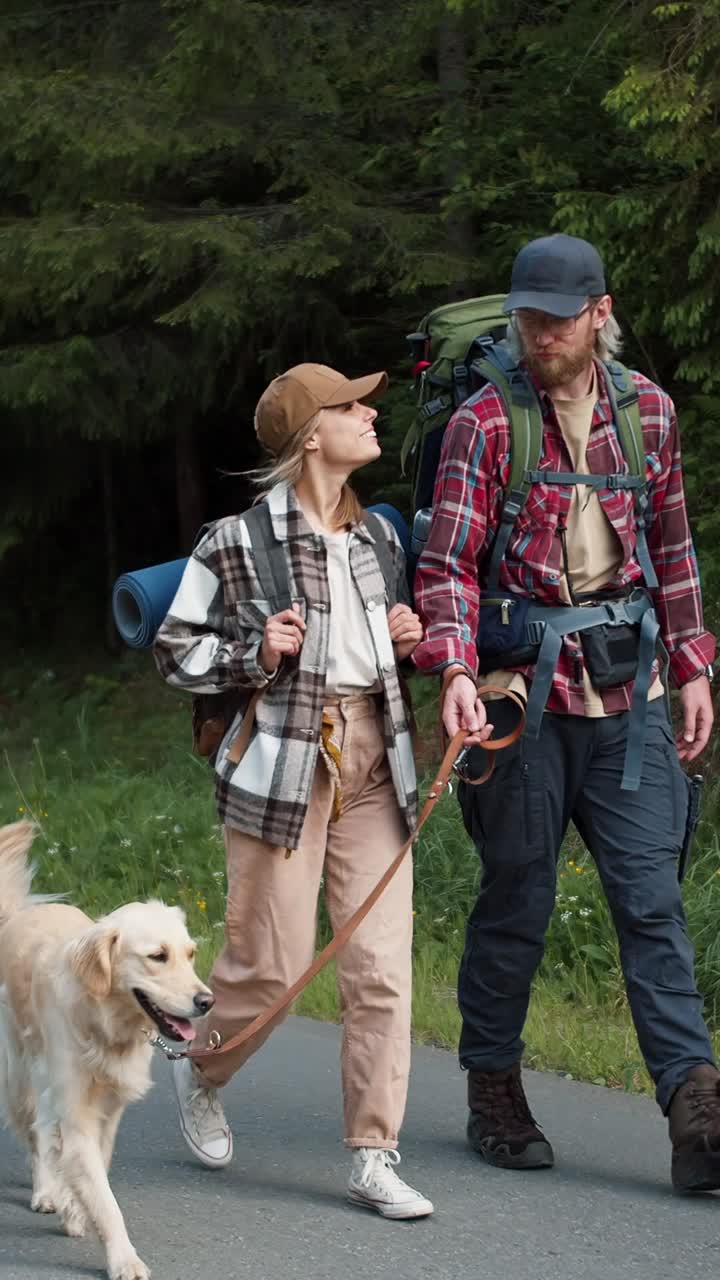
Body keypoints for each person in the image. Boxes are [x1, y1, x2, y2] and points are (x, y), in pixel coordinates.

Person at [412, 233, 718, 1191]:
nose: (539, 331)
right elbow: (447, 567)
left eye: (557, 315)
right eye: (528, 315)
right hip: (521, 700)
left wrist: (697, 665)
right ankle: (493, 1085)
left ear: (599, 312)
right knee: (517, 898)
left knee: (654, 903)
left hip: (632, 701)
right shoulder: (485, 424)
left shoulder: (651, 417)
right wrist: (454, 668)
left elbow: (673, 551)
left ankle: (696, 1106)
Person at [153, 363, 433, 1219]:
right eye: (353, 406)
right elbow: (174, 651)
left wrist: (406, 634)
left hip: (375, 765)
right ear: (313, 433)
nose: (370, 413)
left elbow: (378, 651)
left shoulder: (377, 539)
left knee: (381, 970)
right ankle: (202, 1068)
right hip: (282, 768)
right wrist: (254, 652)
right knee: (270, 967)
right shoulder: (234, 543)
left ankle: (373, 1152)